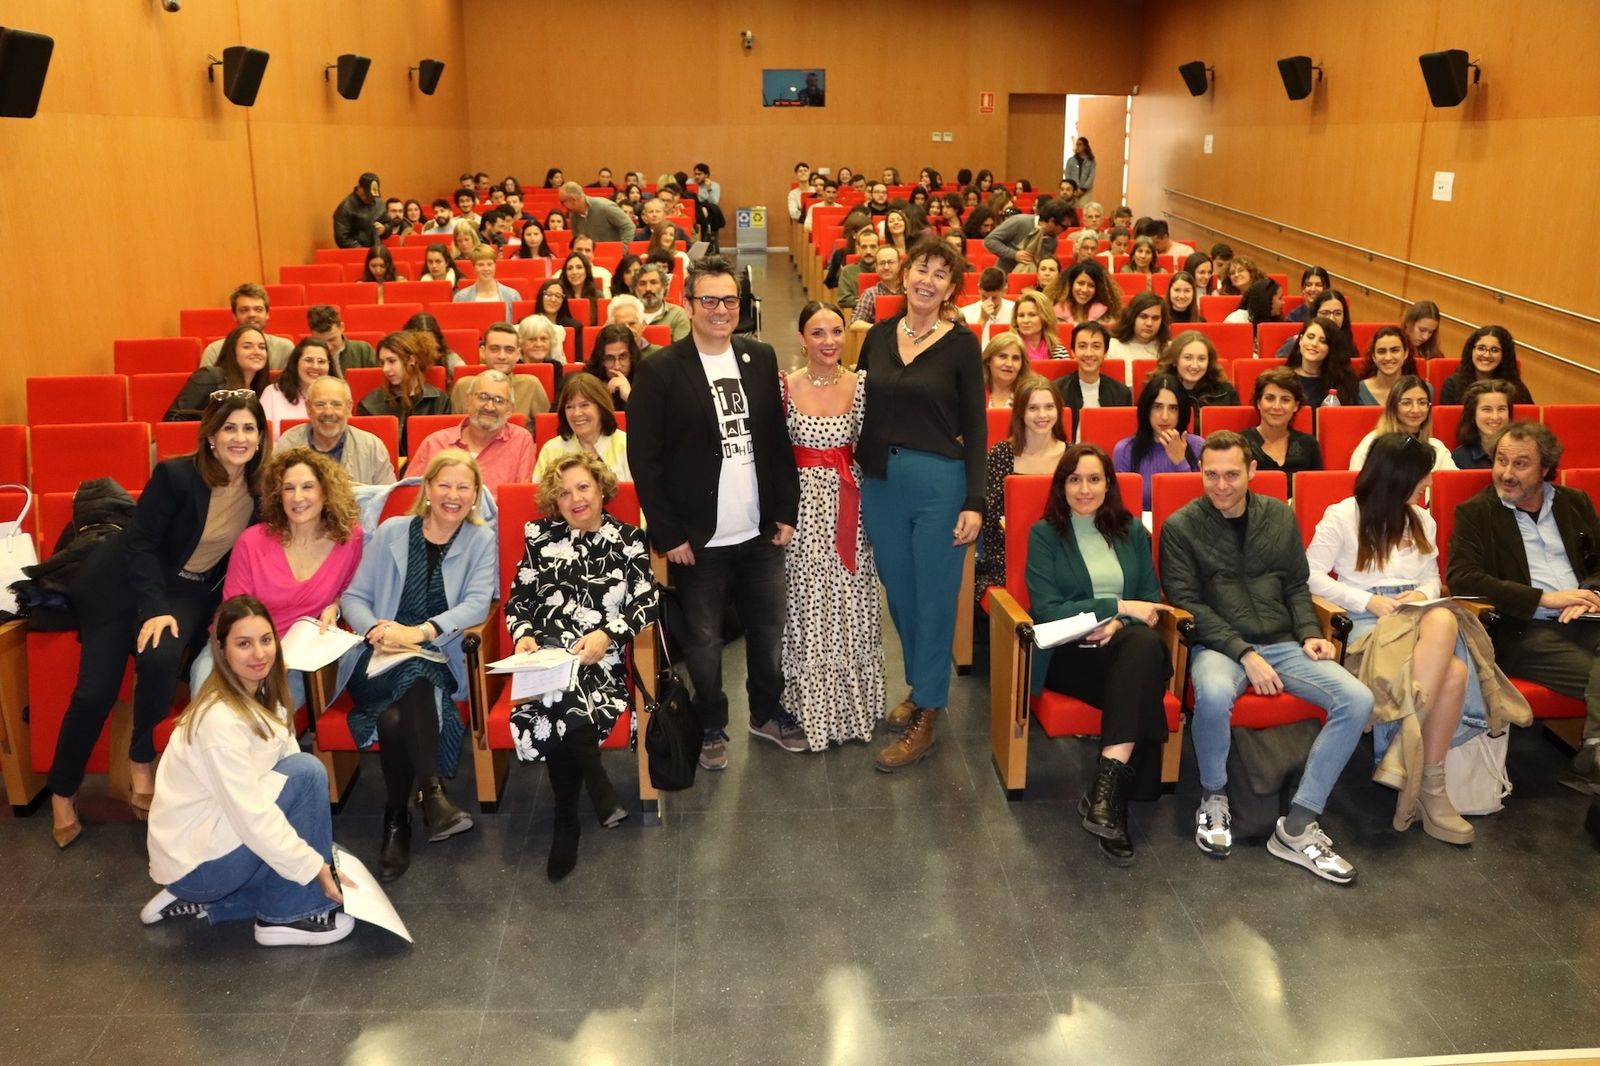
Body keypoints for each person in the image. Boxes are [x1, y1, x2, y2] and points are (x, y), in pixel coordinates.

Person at [48, 395, 265, 848]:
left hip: (186, 589)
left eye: (248, 429)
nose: (239, 438)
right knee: (94, 692)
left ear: (261, 437)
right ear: (210, 435)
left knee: (162, 657)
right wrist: (152, 608)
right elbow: (141, 545)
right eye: (229, 429)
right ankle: (63, 792)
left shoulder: (261, 489)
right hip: (122, 584)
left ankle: (142, 756)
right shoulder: (176, 475)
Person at [1160, 431, 1372, 882]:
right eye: (1211, 474)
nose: (1221, 485)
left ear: (1253, 472)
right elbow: (1187, 601)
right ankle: (1214, 796)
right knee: (1214, 693)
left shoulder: (1278, 515)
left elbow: (1296, 585)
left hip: (1282, 641)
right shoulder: (1180, 526)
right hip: (1220, 645)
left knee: (1357, 699)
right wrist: (1243, 653)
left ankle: (1297, 825)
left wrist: (1311, 632)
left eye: (1232, 474)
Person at [628, 255, 804, 770]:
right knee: (703, 640)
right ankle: (710, 723)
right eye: (709, 300)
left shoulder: (761, 356)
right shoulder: (660, 370)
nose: (721, 310)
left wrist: (785, 510)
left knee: (768, 630)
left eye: (730, 300)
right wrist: (667, 532)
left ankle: (766, 713)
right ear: (689, 305)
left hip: (760, 530)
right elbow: (645, 458)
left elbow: (776, 442)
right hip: (697, 537)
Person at [1306, 434, 1490, 845]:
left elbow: (1430, 576)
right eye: (1421, 482)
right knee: (1455, 672)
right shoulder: (1342, 515)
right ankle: (1429, 788)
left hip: (1419, 615)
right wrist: (1367, 600)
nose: (1426, 489)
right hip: (1368, 622)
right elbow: (1310, 574)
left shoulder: (1421, 518)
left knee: (1441, 616)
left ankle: (1405, 758)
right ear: (1397, 478)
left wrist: (1423, 595)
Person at [142, 596, 355, 946]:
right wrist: (315, 867)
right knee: (306, 774)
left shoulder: (265, 698)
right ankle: (285, 918)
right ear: (222, 651)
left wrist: (318, 859)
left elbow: (272, 795)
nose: (259, 654)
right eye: (244, 644)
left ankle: (209, 903)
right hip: (200, 860)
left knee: (321, 855)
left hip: (213, 843)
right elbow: (252, 816)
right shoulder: (219, 719)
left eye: (266, 640)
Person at [856, 237, 985, 772]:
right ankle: (920, 683)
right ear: (905, 274)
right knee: (902, 596)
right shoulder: (879, 336)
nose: (928, 280)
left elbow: (976, 425)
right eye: (921, 269)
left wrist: (974, 500)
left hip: (939, 484)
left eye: (941, 275)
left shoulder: (960, 344)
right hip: (881, 483)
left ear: (952, 288)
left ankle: (928, 711)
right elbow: (857, 403)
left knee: (933, 598)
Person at [338, 450, 495, 882]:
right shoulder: (392, 531)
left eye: (464, 487)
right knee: (408, 681)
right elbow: (353, 597)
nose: (453, 495)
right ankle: (430, 794)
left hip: (435, 655)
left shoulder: (480, 540)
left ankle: (397, 818)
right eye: (444, 484)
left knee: (395, 717)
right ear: (426, 489)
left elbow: (479, 603)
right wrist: (378, 631)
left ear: (476, 495)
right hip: (376, 658)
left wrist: (421, 633)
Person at [506, 453, 658, 880]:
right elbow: (519, 601)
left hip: (600, 661)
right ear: (554, 501)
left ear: (601, 488)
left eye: (583, 487)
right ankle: (597, 785)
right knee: (558, 691)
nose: (575, 498)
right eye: (564, 492)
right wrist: (524, 635)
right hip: (545, 656)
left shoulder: (629, 539)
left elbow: (647, 602)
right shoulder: (539, 536)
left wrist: (608, 635)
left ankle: (566, 819)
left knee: (561, 702)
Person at [1027, 442, 1171, 864]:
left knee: (1140, 649)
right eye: (1074, 479)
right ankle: (1112, 796)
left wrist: (1119, 625)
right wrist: (1118, 608)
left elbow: (1150, 597)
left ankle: (1106, 798)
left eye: (1094, 479)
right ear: (1062, 485)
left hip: (1124, 646)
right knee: (1141, 668)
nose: (1084, 489)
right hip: (1070, 654)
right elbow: (1048, 611)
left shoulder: (1130, 531)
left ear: (1109, 485)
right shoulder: (1045, 534)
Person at [1446, 421, 1600, 793]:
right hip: (1526, 629)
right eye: (1501, 461)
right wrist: (1543, 598)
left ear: (1546, 469)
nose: (1507, 473)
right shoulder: (1477, 512)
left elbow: (1597, 564)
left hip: (1588, 618)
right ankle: (1592, 755)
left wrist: (1592, 591)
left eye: (1520, 464)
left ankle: (1592, 753)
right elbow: (1462, 577)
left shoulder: (1573, 502)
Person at [779, 303, 886, 750]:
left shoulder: (861, 386)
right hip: (801, 510)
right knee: (807, 606)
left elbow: (875, 444)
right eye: (817, 333)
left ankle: (854, 708)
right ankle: (810, 708)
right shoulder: (784, 387)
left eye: (836, 331)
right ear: (802, 338)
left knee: (852, 603)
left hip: (850, 504)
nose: (828, 341)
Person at [194, 448, 364, 708]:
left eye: (308, 486)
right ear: (277, 494)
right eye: (288, 488)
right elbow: (232, 613)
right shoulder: (252, 541)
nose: (298, 498)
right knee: (209, 711)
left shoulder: (349, 539)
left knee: (262, 725)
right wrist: (257, 655)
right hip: (239, 646)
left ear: (325, 491)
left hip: (299, 659)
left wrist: (336, 605)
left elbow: (355, 591)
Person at [976, 374, 1068, 597]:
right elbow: (988, 520)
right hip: (1009, 551)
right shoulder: (1001, 455)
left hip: (1063, 550)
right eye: (1033, 408)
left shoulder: (1072, 456)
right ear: (1020, 413)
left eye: (1049, 407)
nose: (1042, 415)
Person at [409, 369, 533, 487]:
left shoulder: (521, 440)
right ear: (468, 400)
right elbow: (409, 496)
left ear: (510, 409)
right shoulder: (435, 443)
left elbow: (519, 501)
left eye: (499, 400)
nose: (489, 407)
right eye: (483, 397)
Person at [274, 376, 396, 485]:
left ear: (349, 408)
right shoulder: (288, 444)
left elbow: (387, 500)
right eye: (320, 404)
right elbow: (273, 495)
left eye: (336, 404)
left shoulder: (372, 447)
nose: (328, 412)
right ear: (308, 408)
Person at [1113, 373, 1204, 511]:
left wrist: (1181, 461)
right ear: (1146, 409)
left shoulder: (1198, 446)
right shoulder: (1125, 450)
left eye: (1173, 408)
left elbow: (1199, 504)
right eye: (1157, 407)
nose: (1165, 416)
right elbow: (1122, 507)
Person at [356, 330, 450, 455]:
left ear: (411, 360)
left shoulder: (439, 399)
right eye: (382, 362)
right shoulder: (369, 404)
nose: (385, 369)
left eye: (392, 361)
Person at [536, 363, 632, 481]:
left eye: (584, 405)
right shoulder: (551, 450)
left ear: (601, 407)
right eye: (569, 407)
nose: (576, 413)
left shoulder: (626, 445)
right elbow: (541, 496)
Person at [1348, 374, 1457, 471]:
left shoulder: (1437, 447)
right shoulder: (1372, 443)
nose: (1415, 410)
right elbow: (1356, 487)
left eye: (1422, 402)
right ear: (1393, 407)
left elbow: (1452, 485)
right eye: (1406, 403)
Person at [1241, 367, 1321, 493]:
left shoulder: (1309, 444)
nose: (1277, 406)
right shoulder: (1240, 444)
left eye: (1285, 400)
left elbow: (1317, 491)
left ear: (1296, 406)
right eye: (1270, 398)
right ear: (1258, 403)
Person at [168, 324, 271, 421]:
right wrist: (217, 418)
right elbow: (173, 418)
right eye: (247, 346)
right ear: (232, 351)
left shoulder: (264, 390)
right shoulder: (209, 376)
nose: (257, 352)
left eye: (262, 347)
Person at [450, 322, 551, 420]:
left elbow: (546, 429)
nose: (502, 356)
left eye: (509, 350)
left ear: (518, 354)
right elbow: (454, 431)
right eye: (494, 349)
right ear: (483, 352)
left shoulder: (531, 385)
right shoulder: (463, 386)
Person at [198, 284, 295, 371]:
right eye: (244, 310)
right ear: (234, 315)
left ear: (267, 314)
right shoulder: (214, 351)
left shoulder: (285, 348)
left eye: (258, 309)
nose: (252, 314)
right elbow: (204, 389)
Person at [258, 337, 338, 434]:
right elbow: (261, 436)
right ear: (296, 363)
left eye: (321, 361)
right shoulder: (272, 393)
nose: (315, 366)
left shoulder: (338, 395)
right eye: (308, 360)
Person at [1441, 325, 1535, 405]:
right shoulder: (1453, 384)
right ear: (1471, 351)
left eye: (1494, 350)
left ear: (1504, 356)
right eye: (1481, 348)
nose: (1486, 355)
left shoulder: (1516, 387)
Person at [1061, 322, 1133, 419]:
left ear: (1105, 353)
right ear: (1073, 352)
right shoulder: (1057, 391)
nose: (1089, 353)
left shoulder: (1122, 394)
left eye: (1096, 346)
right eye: (1082, 346)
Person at [1285, 315, 1359, 408]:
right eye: (1310, 337)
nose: (1314, 344)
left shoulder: (1344, 381)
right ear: (1300, 340)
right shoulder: (1285, 378)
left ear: (1331, 347)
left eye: (1323, 341)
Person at [982, 198, 1070, 273]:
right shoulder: (1019, 221)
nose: (1064, 231)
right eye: (1064, 227)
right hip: (1004, 277)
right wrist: (1014, 254)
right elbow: (990, 241)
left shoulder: (1053, 240)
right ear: (1051, 221)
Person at [1154, 329, 1238, 408]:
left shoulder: (1226, 391)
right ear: (1175, 361)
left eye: (1201, 359)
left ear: (1209, 362)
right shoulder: (1156, 388)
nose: (1194, 365)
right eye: (1188, 358)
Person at [1451, 379, 1518, 469]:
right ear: (1473, 414)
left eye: (1501, 409)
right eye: (1487, 409)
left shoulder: (1522, 451)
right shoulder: (1458, 458)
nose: (1495, 417)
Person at [1356, 326, 1419, 407]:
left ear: (1406, 353)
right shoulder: (1358, 390)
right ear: (1374, 357)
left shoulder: (1423, 390)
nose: (1388, 357)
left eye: (1395, 350)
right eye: (1381, 351)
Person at [452, 245, 522, 318]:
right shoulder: (460, 298)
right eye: (480, 265)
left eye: (489, 264)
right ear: (473, 267)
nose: (486, 268)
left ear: (495, 265)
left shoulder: (512, 295)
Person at [557, 181, 636, 243]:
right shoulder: (573, 215)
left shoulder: (605, 207)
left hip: (611, 256)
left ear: (573, 200)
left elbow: (629, 227)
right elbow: (577, 239)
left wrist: (623, 249)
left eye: (562, 202)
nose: (563, 206)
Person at [584, 323, 639, 412]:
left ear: (632, 356)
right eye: (609, 358)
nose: (617, 366)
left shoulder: (647, 380)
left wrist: (629, 397)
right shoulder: (586, 383)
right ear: (600, 359)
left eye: (623, 357)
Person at [850, 245, 905, 331]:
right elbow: (854, 324)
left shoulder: (909, 291)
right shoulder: (870, 294)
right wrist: (880, 329)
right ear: (876, 267)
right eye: (882, 263)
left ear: (899, 265)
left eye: (890, 262)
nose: (886, 267)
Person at [307, 305, 376, 373]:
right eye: (321, 342)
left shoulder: (364, 350)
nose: (329, 347)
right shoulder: (308, 357)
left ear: (341, 327)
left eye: (332, 339)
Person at [959, 266, 1017, 345]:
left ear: (1005, 290)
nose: (989, 302)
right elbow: (965, 345)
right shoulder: (965, 313)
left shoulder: (1015, 310)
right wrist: (982, 319)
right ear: (978, 288)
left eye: (994, 298)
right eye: (984, 297)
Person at [634, 262, 691, 341]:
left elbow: (682, 351)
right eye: (642, 284)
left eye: (653, 282)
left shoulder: (677, 314)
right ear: (635, 288)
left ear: (664, 286)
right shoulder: (626, 314)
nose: (648, 288)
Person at [1053, 261, 1119, 326]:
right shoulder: (1056, 314)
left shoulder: (1106, 317)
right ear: (1070, 284)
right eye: (1081, 283)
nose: (1085, 290)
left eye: (1091, 285)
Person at [1010, 289, 1069, 361]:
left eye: (1032, 315)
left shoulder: (1058, 351)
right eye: (1021, 315)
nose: (1025, 320)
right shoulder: (1008, 349)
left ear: (1045, 317)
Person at [332, 171, 383, 249]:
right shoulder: (345, 208)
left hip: (375, 252)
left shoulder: (378, 203)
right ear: (359, 188)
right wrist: (362, 250)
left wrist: (385, 229)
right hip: (355, 254)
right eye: (367, 195)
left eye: (373, 196)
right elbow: (342, 238)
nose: (370, 198)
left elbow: (388, 222)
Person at [981, 332, 1027, 408]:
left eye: (1015, 358)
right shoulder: (972, 394)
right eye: (1002, 356)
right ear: (988, 360)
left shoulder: (1029, 396)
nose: (1009, 364)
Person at [1063, 137, 1095, 206]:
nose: (1078, 147)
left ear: (1085, 146)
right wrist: (1072, 188)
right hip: (1073, 191)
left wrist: (1083, 189)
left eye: (1080, 145)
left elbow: (1091, 176)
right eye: (1077, 145)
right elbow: (1067, 174)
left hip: (1086, 191)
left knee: (1084, 208)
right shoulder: (1071, 161)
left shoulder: (1091, 161)